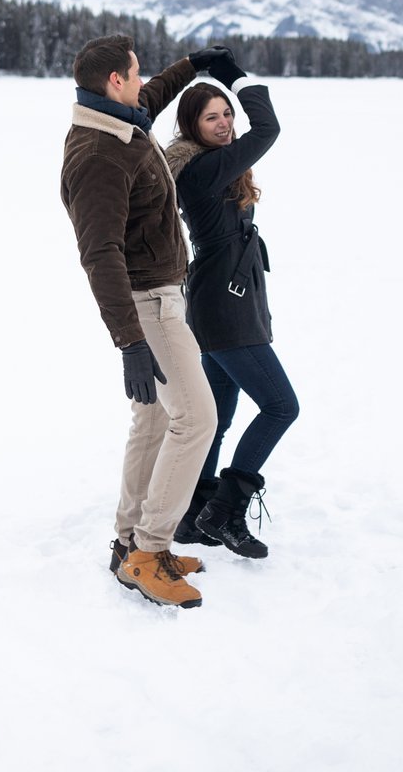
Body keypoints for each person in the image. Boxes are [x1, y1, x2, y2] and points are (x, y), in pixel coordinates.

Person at [59, 34, 231, 608]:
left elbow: (152, 97)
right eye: (136, 72)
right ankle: (149, 551)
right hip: (147, 304)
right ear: (114, 81)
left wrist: (192, 67)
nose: (144, 79)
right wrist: (130, 342)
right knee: (197, 419)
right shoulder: (98, 154)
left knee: (155, 421)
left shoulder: (120, 121)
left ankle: (130, 539)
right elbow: (99, 253)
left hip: (157, 296)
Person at [162, 49, 296, 560]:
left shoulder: (219, 167)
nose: (224, 124)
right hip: (225, 307)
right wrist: (234, 79)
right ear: (192, 127)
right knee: (282, 406)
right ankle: (226, 508)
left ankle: (196, 512)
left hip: (227, 301)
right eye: (211, 117)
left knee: (217, 412)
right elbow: (268, 128)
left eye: (227, 114)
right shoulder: (204, 170)